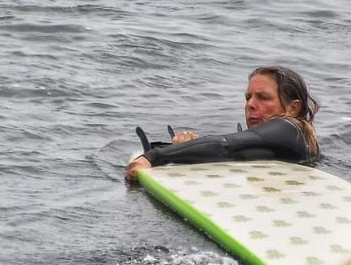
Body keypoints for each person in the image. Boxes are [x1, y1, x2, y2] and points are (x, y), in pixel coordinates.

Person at [124, 65, 320, 182]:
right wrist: (190, 146)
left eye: (263, 98)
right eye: (248, 97)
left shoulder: (289, 128)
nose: (250, 105)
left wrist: (152, 157)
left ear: (293, 108)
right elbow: (234, 149)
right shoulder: (289, 139)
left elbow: (225, 145)